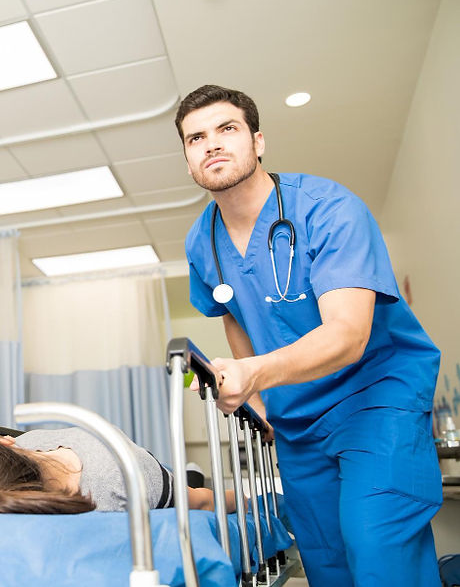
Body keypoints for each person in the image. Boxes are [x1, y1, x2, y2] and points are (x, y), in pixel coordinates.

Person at [176, 84, 441, 586]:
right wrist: (259, 403)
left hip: (375, 398)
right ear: (188, 159)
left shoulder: (328, 209)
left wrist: (254, 375)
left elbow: (348, 334)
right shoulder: (201, 241)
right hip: (298, 419)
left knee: (376, 545)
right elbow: (231, 312)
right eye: (196, 138)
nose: (211, 144)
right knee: (326, 561)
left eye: (226, 129)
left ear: (257, 141)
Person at [0, 428, 235, 514]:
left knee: (192, 489)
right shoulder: (23, 443)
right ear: (6, 443)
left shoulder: (119, 482)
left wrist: (254, 502)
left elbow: (206, 501)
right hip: (101, 454)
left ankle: (189, 471)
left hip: (138, 465)